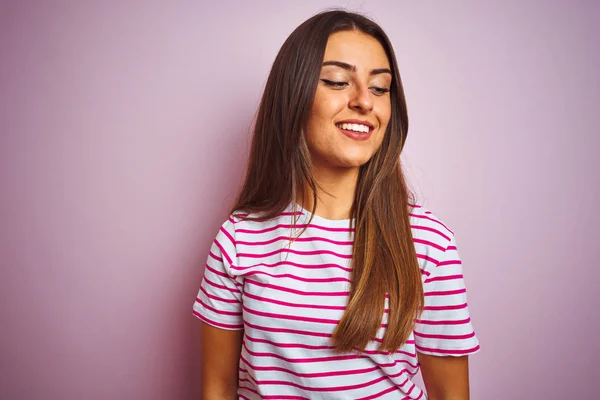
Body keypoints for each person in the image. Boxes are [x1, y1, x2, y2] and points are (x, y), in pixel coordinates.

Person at [192, 9, 480, 400]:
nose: (364, 101)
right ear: (294, 95)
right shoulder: (239, 238)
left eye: (380, 88)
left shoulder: (430, 243)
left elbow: (451, 395)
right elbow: (218, 386)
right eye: (337, 81)